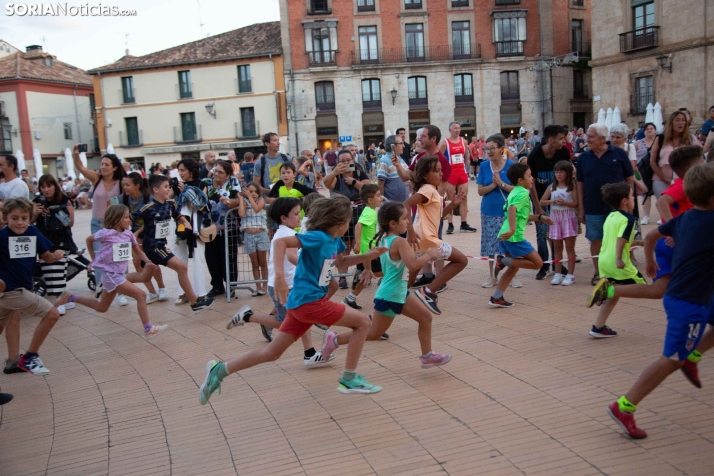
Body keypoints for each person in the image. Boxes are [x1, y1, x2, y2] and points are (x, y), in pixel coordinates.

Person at [198, 195, 388, 405]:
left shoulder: (335, 241)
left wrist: (368, 256)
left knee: (271, 353)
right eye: (348, 221)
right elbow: (280, 243)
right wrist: (279, 276)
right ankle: (350, 378)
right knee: (363, 322)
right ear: (340, 222)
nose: (350, 225)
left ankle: (220, 370)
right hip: (310, 302)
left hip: (301, 305)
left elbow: (342, 261)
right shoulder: (317, 237)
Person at [605, 162, 714, 439]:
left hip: (689, 295)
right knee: (671, 360)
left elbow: (652, 234)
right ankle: (624, 406)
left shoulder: (686, 218)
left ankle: (693, 354)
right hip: (688, 303)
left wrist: (650, 260)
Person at [333, 201, 451, 368]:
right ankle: (334, 339)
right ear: (393, 223)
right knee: (374, 333)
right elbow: (414, 265)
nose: (408, 222)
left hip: (398, 292)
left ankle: (427, 355)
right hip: (391, 294)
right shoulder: (398, 242)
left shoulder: (385, 240)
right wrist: (429, 254)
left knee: (425, 318)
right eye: (404, 218)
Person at [226, 197, 333, 366]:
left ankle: (309, 353)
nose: (299, 217)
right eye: (296, 214)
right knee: (285, 323)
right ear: (284, 218)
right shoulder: (288, 234)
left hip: (289, 285)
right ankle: (248, 317)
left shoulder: (284, 232)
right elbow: (291, 256)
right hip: (284, 286)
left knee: (301, 318)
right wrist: (312, 266)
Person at [57, 205, 168, 339]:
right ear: (116, 220)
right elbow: (89, 239)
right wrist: (93, 260)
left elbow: (138, 251)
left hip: (118, 275)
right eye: (126, 217)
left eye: (129, 217)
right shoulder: (105, 233)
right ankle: (148, 329)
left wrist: (148, 262)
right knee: (141, 295)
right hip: (111, 275)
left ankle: (70, 297)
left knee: (102, 308)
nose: (129, 220)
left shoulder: (128, 234)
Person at [0, 198, 64, 375]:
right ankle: (30, 357)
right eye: (15, 218)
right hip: (11, 291)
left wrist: (55, 255)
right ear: (6, 218)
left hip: (20, 289)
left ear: (30, 218)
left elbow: (47, 257)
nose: (19, 222)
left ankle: (15, 361)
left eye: (23, 218)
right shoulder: (2, 236)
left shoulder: (33, 232)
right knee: (52, 314)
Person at [134, 174, 213, 313]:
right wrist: (120, 231)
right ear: (155, 190)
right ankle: (195, 302)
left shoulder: (170, 203)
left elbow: (176, 214)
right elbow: (130, 218)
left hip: (161, 245)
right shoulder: (147, 207)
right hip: (152, 246)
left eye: (169, 187)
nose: (168, 189)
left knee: (144, 276)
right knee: (181, 267)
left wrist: (185, 222)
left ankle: (115, 280)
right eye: (166, 187)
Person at [404, 156, 468, 315]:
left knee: (411, 275)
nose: (441, 174)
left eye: (441, 170)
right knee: (461, 260)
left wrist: (453, 204)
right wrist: (410, 230)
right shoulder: (427, 189)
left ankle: (394, 301)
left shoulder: (432, 192)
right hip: (427, 240)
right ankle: (429, 291)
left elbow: (438, 217)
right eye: (436, 171)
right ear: (425, 175)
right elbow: (406, 204)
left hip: (420, 241)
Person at [584, 182, 645, 338]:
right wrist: (619, 258)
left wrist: (639, 243)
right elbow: (620, 239)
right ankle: (607, 290)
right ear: (624, 201)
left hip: (604, 261)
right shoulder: (629, 219)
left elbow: (616, 239)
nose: (633, 199)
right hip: (616, 262)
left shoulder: (611, 216)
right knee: (645, 288)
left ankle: (598, 327)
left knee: (615, 295)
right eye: (632, 196)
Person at [576, 124, 634, 285]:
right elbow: (579, 184)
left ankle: (619, 272)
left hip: (617, 208)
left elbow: (630, 178)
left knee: (619, 239)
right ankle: (598, 273)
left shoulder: (620, 154)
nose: (587, 139)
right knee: (596, 240)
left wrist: (629, 200)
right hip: (592, 206)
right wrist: (580, 208)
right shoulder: (583, 158)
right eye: (587, 136)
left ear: (602, 139)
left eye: (591, 136)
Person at [490, 163, 553, 308]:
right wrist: (512, 229)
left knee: (513, 268)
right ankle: (503, 261)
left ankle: (496, 297)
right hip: (513, 236)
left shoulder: (515, 191)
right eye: (529, 176)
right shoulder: (524, 193)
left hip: (504, 235)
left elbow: (521, 216)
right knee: (538, 263)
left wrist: (539, 218)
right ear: (520, 180)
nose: (532, 179)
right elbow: (512, 210)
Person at [71, 145, 126, 290]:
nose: (103, 167)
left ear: (114, 168)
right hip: (97, 224)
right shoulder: (96, 179)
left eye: (106, 164)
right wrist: (75, 154)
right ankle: (100, 288)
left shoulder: (121, 183)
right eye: (102, 164)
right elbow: (80, 167)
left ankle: (121, 291)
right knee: (99, 256)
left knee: (118, 258)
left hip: (116, 225)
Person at [323, 149, 371, 289]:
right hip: (341, 216)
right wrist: (334, 172)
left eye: (348, 160)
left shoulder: (358, 171)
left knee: (359, 245)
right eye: (342, 160)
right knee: (344, 248)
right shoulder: (335, 175)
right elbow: (327, 184)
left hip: (359, 215)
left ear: (353, 159)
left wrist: (354, 182)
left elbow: (368, 187)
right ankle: (342, 277)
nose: (346, 163)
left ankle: (359, 274)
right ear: (338, 162)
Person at [528, 125, 571, 280]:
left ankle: (556, 264)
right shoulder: (535, 155)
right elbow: (530, 183)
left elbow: (569, 173)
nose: (564, 141)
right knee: (541, 233)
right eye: (561, 138)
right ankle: (543, 265)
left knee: (556, 234)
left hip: (559, 199)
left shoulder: (563, 153)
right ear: (551, 139)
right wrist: (538, 207)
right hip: (540, 198)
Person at [31, 174, 77, 312]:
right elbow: (30, 221)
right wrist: (35, 213)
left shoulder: (64, 200)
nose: (46, 190)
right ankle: (64, 300)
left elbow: (70, 223)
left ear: (55, 186)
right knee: (49, 271)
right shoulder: (37, 201)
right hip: (44, 241)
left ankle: (59, 302)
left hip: (61, 240)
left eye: (49, 186)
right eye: (43, 187)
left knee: (57, 270)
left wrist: (56, 212)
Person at [120, 172, 166, 303]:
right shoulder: (124, 198)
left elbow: (150, 220)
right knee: (137, 262)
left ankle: (162, 288)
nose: (125, 188)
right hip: (135, 233)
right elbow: (113, 207)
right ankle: (152, 292)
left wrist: (137, 232)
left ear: (137, 186)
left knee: (152, 261)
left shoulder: (148, 198)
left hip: (150, 231)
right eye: (124, 185)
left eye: (128, 185)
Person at [477, 134, 517, 288]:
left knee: (509, 244)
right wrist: (492, 186)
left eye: (492, 148)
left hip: (508, 212)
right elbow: (480, 191)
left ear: (502, 149)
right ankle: (492, 276)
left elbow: (518, 190)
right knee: (491, 245)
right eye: (487, 148)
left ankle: (511, 275)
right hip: (489, 210)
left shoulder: (511, 166)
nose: (489, 151)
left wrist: (501, 184)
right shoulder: (484, 166)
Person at [171, 158, 210, 303]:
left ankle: (200, 292)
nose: (180, 173)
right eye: (179, 170)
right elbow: (167, 199)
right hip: (179, 224)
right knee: (179, 258)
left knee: (198, 258)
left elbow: (200, 204)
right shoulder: (177, 185)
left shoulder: (202, 184)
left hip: (197, 224)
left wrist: (186, 191)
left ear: (191, 170)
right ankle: (182, 293)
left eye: (183, 170)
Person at [650, 110, 702, 212]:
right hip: (661, 179)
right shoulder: (660, 138)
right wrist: (665, 179)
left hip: (685, 180)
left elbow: (699, 157)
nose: (681, 123)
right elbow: (652, 161)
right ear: (671, 122)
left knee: (686, 208)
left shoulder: (691, 139)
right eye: (677, 120)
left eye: (683, 120)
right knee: (666, 208)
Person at [204, 160, 241, 298]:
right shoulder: (206, 183)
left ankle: (231, 286)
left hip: (228, 226)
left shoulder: (232, 182)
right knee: (211, 257)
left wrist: (229, 202)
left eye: (220, 172)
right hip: (209, 227)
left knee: (229, 257)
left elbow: (238, 199)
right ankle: (217, 286)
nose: (217, 174)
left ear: (227, 175)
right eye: (216, 171)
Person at [539, 161, 579, 286]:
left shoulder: (571, 186)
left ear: (568, 173)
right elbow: (542, 201)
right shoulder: (552, 187)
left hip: (568, 217)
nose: (558, 174)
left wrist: (565, 203)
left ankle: (571, 274)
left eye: (561, 171)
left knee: (569, 247)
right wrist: (552, 201)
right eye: (556, 171)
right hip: (555, 218)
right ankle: (558, 272)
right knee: (556, 247)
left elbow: (576, 203)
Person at [344, 184, 382, 310]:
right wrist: (358, 243)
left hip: (367, 252)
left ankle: (350, 298)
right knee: (387, 271)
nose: (381, 197)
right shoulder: (370, 212)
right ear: (370, 200)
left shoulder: (369, 211)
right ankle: (383, 296)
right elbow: (358, 225)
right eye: (378, 195)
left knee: (367, 275)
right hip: (367, 252)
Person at [440, 122, 477, 234]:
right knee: (451, 199)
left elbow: (466, 154)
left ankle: (464, 223)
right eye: (455, 128)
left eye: (458, 128)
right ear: (450, 130)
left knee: (463, 198)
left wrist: (467, 160)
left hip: (462, 173)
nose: (457, 130)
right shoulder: (445, 143)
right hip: (450, 174)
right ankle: (450, 224)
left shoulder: (463, 141)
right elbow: (439, 157)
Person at [239, 182, 270, 296]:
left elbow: (256, 209)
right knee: (254, 262)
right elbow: (241, 213)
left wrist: (249, 197)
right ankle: (258, 286)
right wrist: (242, 198)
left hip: (261, 234)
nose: (252, 194)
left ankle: (265, 285)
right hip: (249, 235)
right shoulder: (244, 200)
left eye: (254, 192)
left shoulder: (261, 200)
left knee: (263, 261)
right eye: (250, 191)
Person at [635, 123, 658, 224]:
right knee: (645, 194)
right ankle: (646, 216)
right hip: (642, 171)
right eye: (647, 129)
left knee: (659, 193)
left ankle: (662, 216)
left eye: (651, 128)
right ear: (644, 132)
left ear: (655, 130)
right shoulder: (638, 143)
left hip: (656, 170)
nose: (649, 130)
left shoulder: (659, 142)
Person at [376, 135, 409, 203]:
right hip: (392, 205)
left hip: (403, 203)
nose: (404, 146)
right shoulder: (384, 161)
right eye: (401, 143)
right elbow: (380, 184)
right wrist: (382, 202)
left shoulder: (400, 159)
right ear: (393, 146)